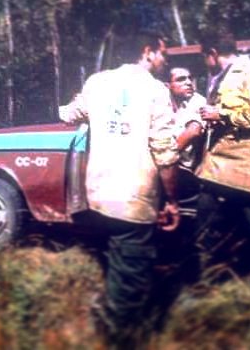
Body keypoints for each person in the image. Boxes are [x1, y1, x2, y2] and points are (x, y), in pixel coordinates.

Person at [58, 33, 180, 347]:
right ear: (147, 50)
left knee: (114, 262)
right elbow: (165, 153)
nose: (165, 60)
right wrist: (173, 201)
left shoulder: (97, 82)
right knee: (130, 279)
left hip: (98, 195)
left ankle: (108, 326)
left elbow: (67, 114)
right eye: (162, 53)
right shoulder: (156, 91)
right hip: (134, 199)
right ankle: (120, 338)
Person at [195, 28, 250, 294]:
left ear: (212, 53)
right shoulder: (219, 76)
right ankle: (211, 283)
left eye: (204, 56)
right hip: (219, 168)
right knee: (208, 227)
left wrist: (221, 114)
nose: (204, 62)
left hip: (247, 170)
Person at [165, 67, 206, 210]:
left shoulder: (198, 101)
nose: (189, 82)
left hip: (182, 170)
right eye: (181, 79)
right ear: (167, 85)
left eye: (190, 78)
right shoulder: (161, 102)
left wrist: (164, 157)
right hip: (161, 166)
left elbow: (193, 131)